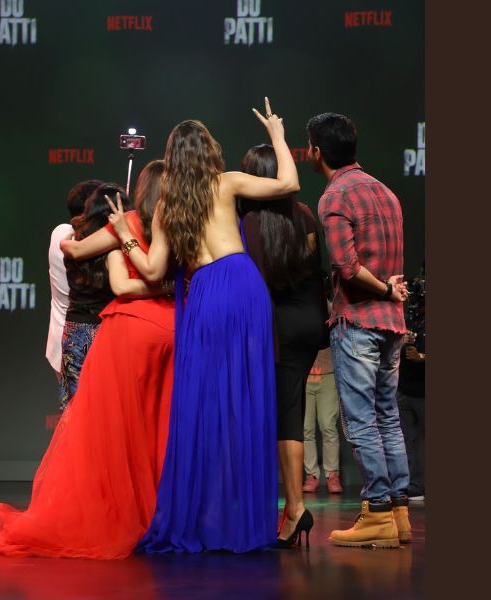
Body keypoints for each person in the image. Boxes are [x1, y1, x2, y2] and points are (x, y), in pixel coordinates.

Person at [108, 98, 302, 553]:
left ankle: (206, 516)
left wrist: (125, 234)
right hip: (244, 286)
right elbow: (289, 183)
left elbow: (153, 272)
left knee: (204, 403)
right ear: (209, 150)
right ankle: (246, 519)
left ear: (172, 158)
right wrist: (277, 134)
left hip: (208, 295)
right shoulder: (227, 182)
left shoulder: (167, 205)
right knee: (245, 399)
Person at [0, 163, 176, 560]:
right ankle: (101, 503)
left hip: (75, 333)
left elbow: (76, 252)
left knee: (79, 428)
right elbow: (123, 284)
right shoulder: (112, 244)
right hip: (102, 333)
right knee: (103, 429)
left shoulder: (72, 240)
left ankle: (86, 501)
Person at [307, 112, 412, 548]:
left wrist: (384, 288)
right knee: (388, 417)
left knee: (362, 422)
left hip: (359, 322)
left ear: (316, 152)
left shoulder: (335, 196)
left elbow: (347, 267)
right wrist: (390, 291)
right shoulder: (386, 192)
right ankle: (399, 513)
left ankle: (378, 513)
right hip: (392, 326)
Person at [238, 143, 326, 547]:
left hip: (273, 325)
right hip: (307, 322)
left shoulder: (248, 223)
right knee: (291, 408)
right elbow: (315, 272)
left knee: (280, 414)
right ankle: (292, 508)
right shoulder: (304, 215)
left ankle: (292, 509)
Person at [58, 184, 132, 412]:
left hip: (74, 329)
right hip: (106, 330)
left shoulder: (73, 238)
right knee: (105, 410)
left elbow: (71, 247)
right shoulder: (118, 244)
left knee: (74, 410)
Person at [46, 179, 103, 405]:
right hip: (80, 345)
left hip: (61, 345)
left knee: (73, 417)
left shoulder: (60, 232)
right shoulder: (79, 243)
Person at [303, 310, 343, 495]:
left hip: (327, 374)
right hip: (304, 374)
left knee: (328, 425)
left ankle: (332, 474)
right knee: (305, 428)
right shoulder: (301, 308)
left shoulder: (329, 307)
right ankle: (311, 475)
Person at [398, 278, 425, 502]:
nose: (415, 304)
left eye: (419, 300)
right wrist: (401, 342)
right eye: (413, 299)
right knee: (407, 440)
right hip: (405, 388)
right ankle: (413, 485)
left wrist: (422, 357)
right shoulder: (406, 319)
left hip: (424, 391)